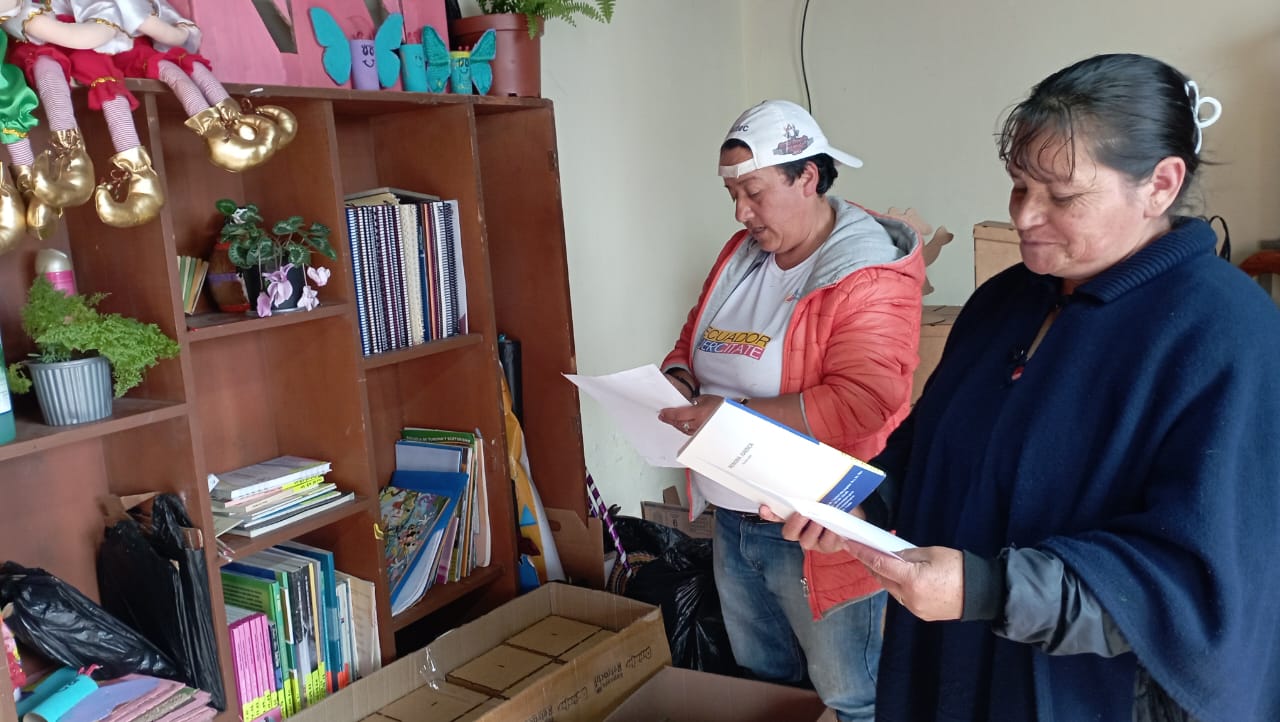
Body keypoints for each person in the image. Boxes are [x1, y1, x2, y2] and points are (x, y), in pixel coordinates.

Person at [773, 53, 1280, 721]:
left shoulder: (1225, 333)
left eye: (1062, 196)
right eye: (1019, 186)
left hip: (1086, 690)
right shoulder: (1005, 301)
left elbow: (1193, 580)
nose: (1025, 216)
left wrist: (988, 589)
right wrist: (857, 500)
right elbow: (930, 444)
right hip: (949, 657)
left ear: (1160, 184)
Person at [657, 99, 924, 722]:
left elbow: (865, 401)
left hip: (815, 525)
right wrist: (675, 379)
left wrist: (732, 414)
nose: (740, 212)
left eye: (753, 193)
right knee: (763, 685)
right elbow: (694, 340)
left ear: (807, 177)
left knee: (850, 695)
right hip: (732, 518)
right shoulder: (741, 254)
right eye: (732, 194)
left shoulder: (865, 271)